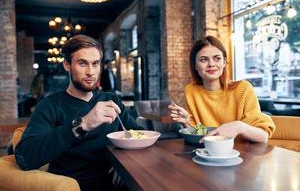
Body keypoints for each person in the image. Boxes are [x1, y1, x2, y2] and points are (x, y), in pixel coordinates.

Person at [15, 35, 142, 191]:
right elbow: (25, 158)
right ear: (67, 65)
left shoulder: (111, 99)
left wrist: (123, 165)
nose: (90, 72)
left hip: (119, 183)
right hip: (75, 185)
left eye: (95, 64)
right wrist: (82, 125)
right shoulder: (50, 106)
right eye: (82, 63)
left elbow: (138, 134)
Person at [168, 35, 275, 143]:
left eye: (217, 58)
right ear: (195, 65)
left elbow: (263, 137)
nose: (211, 64)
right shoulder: (191, 91)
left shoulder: (243, 89)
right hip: (207, 153)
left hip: (242, 154)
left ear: (224, 62)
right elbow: (200, 137)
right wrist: (186, 122)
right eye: (203, 60)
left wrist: (240, 127)